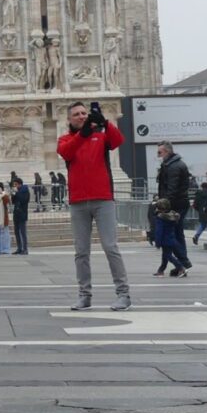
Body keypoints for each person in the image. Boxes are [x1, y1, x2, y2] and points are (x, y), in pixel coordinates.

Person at [58, 102, 130, 311]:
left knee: (111, 247)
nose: (81, 116)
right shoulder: (66, 139)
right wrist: (84, 133)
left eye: (84, 113)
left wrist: (105, 122)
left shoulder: (101, 135)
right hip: (78, 202)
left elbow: (118, 140)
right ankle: (84, 295)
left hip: (103, 198)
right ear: (69, 119)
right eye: (76, 114)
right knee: (81, 251)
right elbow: (67, 152)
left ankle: (123, 294)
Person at [152, 141, 192, 277]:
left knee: (171, 236)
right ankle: (181, 263)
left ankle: (182, 263)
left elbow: (172, 189)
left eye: (160, 152)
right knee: (175, 234)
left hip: (175, 204)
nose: (158, 155)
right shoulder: (171, 164)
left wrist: (163, 206)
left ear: (167, 152)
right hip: (177, 203)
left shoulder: (174, 166)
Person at [10, 175, 31, 254]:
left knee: (22, 232)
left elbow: (23, 200)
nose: (14, 186)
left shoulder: (25, 191)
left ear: (19, 184)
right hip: (16, 213)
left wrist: (17, 193)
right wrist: (13, 194)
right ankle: (19, 248)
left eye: (15, 184)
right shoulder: (17, 191)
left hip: (22, 213)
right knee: (16, 232)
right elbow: (13, 201)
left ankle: (25, 249)